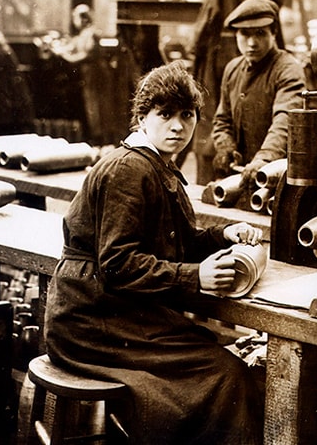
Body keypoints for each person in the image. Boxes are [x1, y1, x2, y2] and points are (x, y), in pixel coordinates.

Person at [44, 61, 264, 444]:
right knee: (226, 373)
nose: (178, 126)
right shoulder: (130, 169)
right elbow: (118, 264)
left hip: (112, 310)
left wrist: (223, 235)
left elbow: (173, 240)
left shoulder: (157, 165)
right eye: (165, 115)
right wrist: (194, 276)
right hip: (90, 321)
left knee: (223, 351)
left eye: (187, 114)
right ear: (143, 117)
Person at [211, 0, 305, 189]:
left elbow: (285, 120)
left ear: (274, 33)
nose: (252, 43)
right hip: (241, 175)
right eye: (245, 34)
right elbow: (222, 120)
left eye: (260, 33)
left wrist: (265, 159)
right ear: (236, 35)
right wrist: (225, 146)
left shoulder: (287, 69)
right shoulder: (233, 69)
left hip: (277, 178)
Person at [49, 4, 117, 146]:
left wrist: (64, 55)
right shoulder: (83, 35)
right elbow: (72, 47)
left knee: (98, 108)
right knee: (92, 108)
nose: (75, 21)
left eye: (76, 17)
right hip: (88, 76)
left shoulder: (91, 34)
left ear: (84, 19)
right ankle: (96, 139)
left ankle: (102, 141)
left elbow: (85, 55)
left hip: (97, 75)